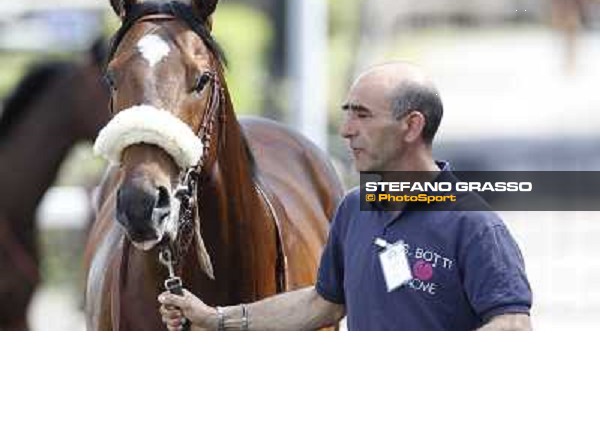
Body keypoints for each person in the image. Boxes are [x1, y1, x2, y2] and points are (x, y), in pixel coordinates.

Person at [159, 62, 532, 331]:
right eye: (347, 113)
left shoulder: (475, 226)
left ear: (411, 126)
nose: (346, 130)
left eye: (363, 116)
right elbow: (321, 303)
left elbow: (513, 326)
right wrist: (215, 318)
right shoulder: (354, 208)